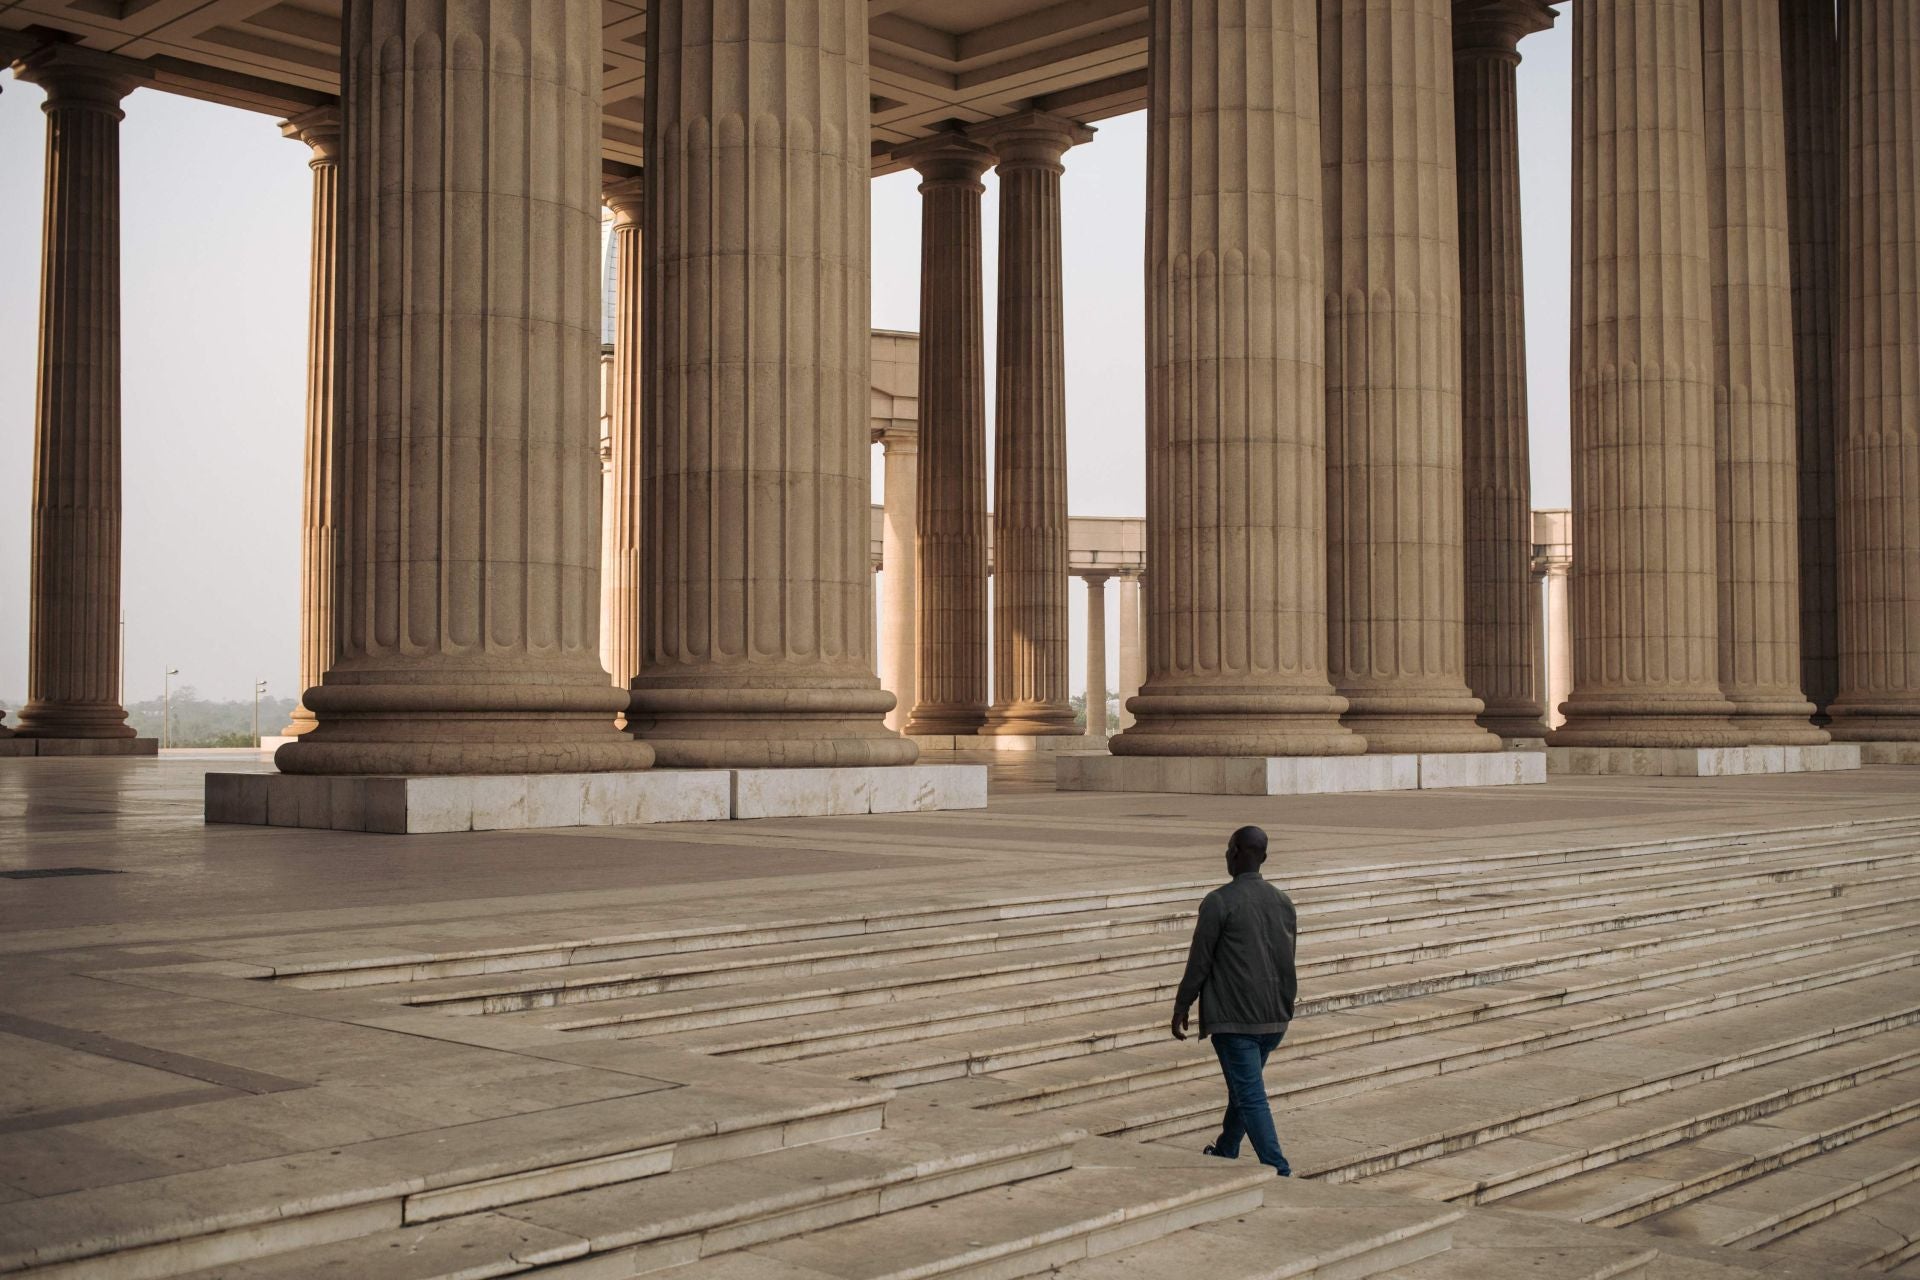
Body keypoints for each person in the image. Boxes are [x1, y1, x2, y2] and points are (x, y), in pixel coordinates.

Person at [1170, 824, 1297, 1176]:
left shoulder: (1219, 901)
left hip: (1236, 1018)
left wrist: (1183, 1004)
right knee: (1245, 1087)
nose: (1226, 855)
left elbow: (1200, 960)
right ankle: (1226, 1149)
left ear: (1238, 852)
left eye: (1229, 849)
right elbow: (1289, 957)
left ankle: (1279, 1169)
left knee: (1250, 1095)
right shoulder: (1283, 901)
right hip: (1274, 1017)